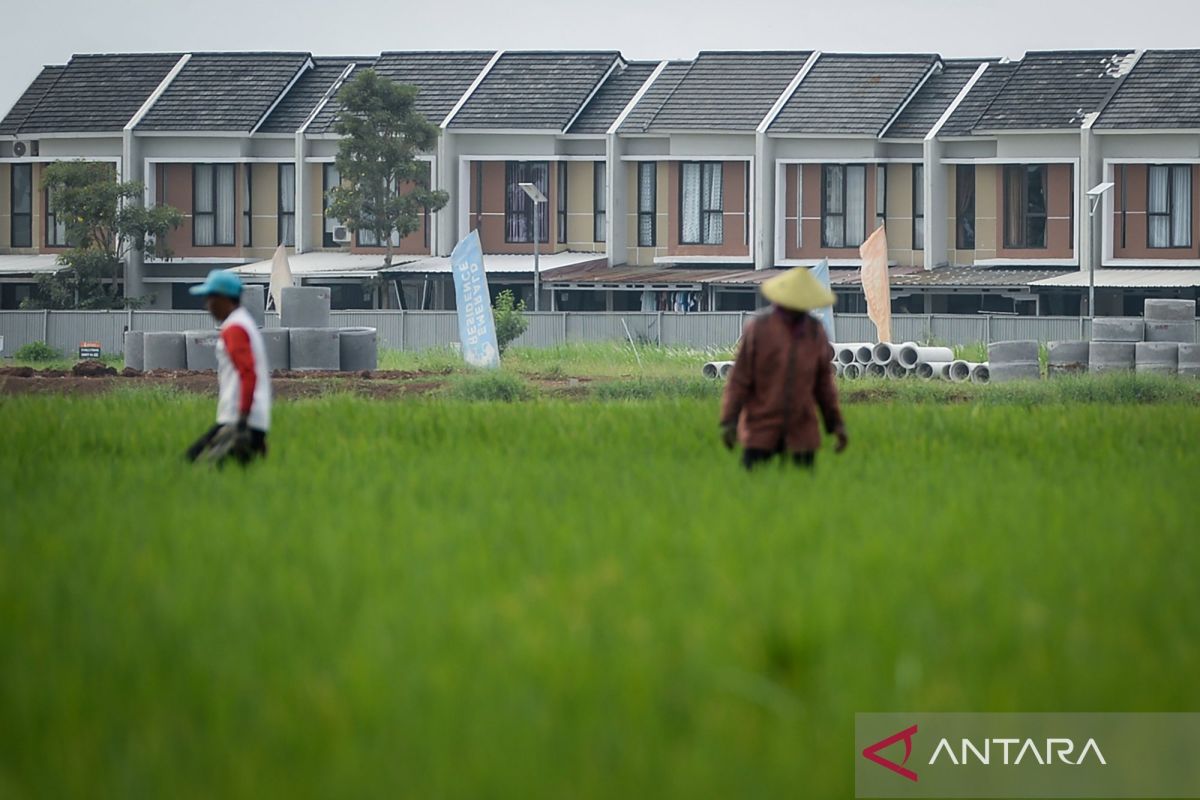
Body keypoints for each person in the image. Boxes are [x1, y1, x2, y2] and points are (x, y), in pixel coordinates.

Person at [719, 267, 847, 470]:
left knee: (801, 494)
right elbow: (740, 379)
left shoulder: (814, 332)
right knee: (755, 490)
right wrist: (729, 420)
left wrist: (836, 424)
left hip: (801, 427)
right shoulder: (759, 329)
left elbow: (824, 384)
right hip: (762, 424)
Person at [184, 269, 271, 466]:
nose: (208, 306)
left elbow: (248, 374)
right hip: (248, 420)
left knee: (197, 468)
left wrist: (243, 421)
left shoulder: (235, 328)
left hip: (238, 420)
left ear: (224, 299)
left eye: (211, 299)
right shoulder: (245, 323)